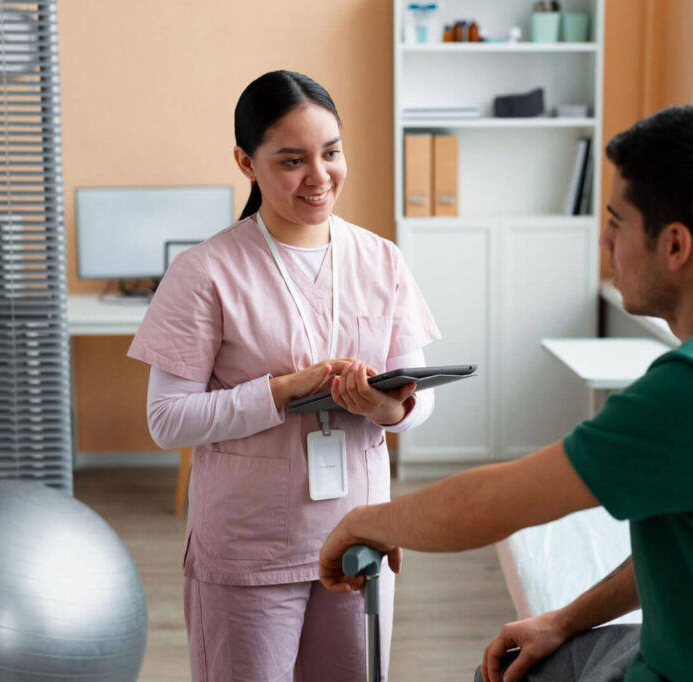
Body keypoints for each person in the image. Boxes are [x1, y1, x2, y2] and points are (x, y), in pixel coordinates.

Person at [319, 105, 693, 682]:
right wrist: (565, 621)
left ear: (675, 247)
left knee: (494, 676)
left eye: (617, 222)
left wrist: (363, 523)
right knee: (539, 654)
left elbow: (481, 507)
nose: (604, 240)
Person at [127, 70, 440, 682]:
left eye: (331, 153)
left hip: (358, 536)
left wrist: (386, 410)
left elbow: (417, 399)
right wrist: (283, 391)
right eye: (292, 160)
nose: (319, 177)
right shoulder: (205, 271)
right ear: (246, 162)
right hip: (249, 547)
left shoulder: (382, 260)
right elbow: (167, 421)